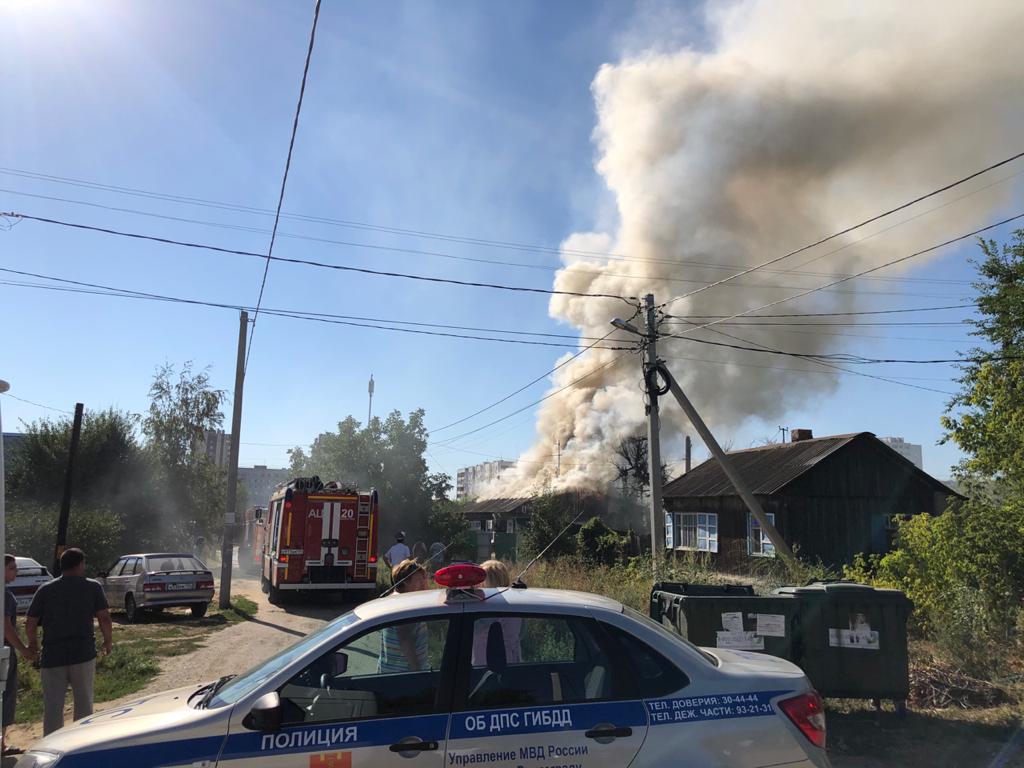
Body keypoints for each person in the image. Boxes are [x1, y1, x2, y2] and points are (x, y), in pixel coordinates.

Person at [26, 548, 113, 735]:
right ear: (80, 564)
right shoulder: (92, 587)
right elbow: (104, 618)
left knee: (52, 707)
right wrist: (108, 641)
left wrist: (32, 645)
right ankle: (80, 744)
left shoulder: (46, 589)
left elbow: (31, 622)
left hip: (52, 656)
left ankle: (52, 746)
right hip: (82, 653)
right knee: (83, 704)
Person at [379, 559, 428, 673]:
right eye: (419, 580)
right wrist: (418, 673)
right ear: (405, 581)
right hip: (405, 676)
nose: (424, 584)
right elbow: (405, 640)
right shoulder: (406, 606)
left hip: (389, 672)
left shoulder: (393, 600)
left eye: (424, 579)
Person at [3, 556, 30, 757]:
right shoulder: (5, 595)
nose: (15, 572)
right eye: (12, 568)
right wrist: (23, 649)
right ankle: (2, 744)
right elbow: (6, 627)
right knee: (6, 694)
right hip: (4, 653)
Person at [471, 560, 522, 666]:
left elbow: (473, 627)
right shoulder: (515, 607)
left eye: (481, 580)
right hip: (513, 667)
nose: (477, 584)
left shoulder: (482, 608)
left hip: (482, 667)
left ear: (487, 582)